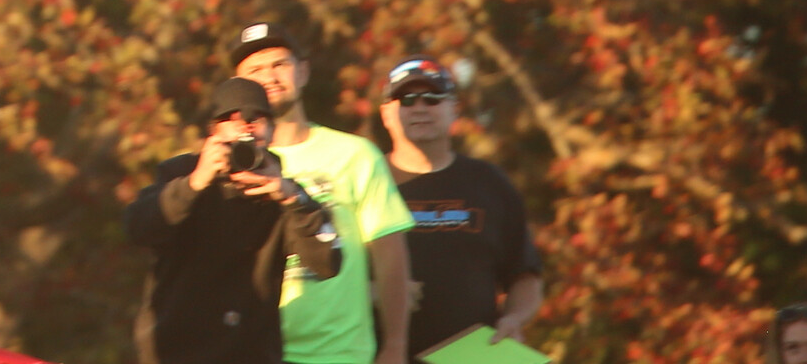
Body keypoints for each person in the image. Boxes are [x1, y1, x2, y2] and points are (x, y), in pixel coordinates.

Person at [127, 76, 345, 364]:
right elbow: (138, 228)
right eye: (231, 118)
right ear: (213, 131)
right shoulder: (179, 173)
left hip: (250, 352)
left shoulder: (284, 192)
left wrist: (293, 199)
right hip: (176, 351)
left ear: (271, 132)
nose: (246, 125)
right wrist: (195, 183)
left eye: (257, 118)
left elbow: (328, 261)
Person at [232, 24, 414, 364]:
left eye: (279, 64)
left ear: (303, 71)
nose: (269, 77)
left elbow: (390, 259)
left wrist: (395, 347)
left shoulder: (356, 155)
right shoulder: (227, 166)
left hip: (339, 354)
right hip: (251, 352)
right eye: (255, 70)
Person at [374, 58, 542, 358]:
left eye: (433, 98)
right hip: (379, 354)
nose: (420, 108)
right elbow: (328, 275)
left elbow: (525, 275)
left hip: (471, 356)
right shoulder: (364, 180)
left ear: (454, 109)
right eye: (407, 100)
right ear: (386, 113)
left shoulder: (490, 183)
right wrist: (375, 291)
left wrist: (514, 318)